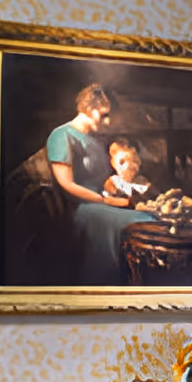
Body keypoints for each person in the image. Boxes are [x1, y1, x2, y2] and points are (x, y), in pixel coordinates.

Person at [45, 85, 151, 284]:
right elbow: (66, 184)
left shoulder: (96, 142)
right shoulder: (61, 136)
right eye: (104, 115)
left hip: (105, 203)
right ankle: (107, 285)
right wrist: (105, 200)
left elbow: (107, 180)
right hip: (81, 209)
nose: (108, 122)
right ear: (89, 107)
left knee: (148, 217)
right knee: (131, 222)